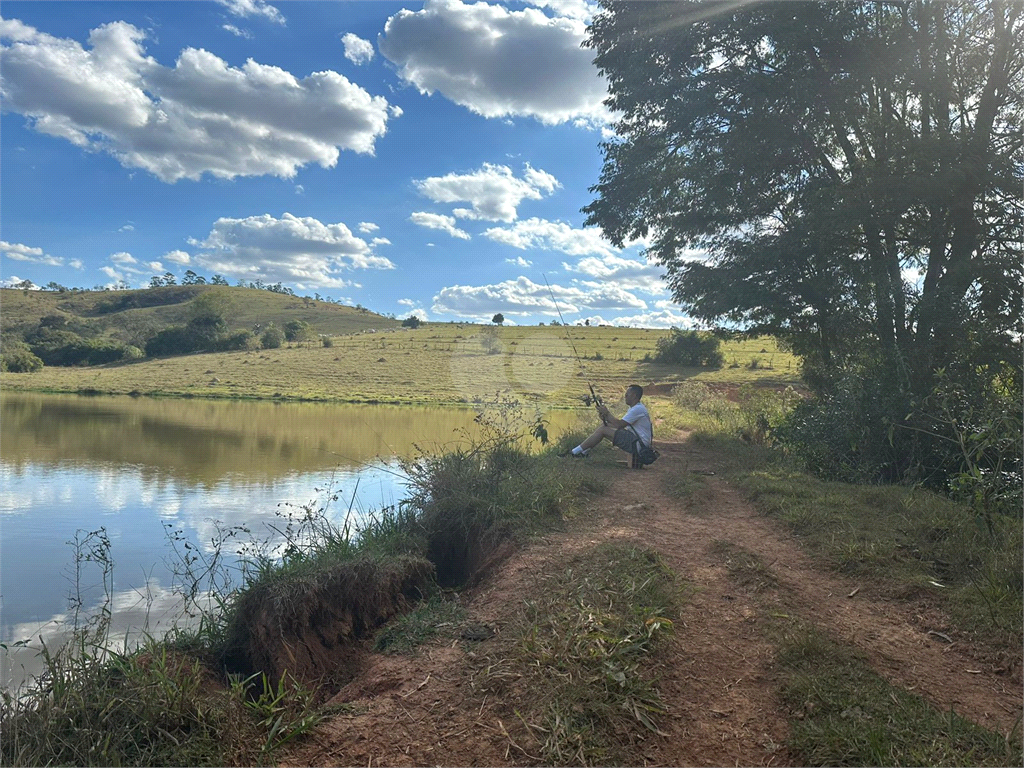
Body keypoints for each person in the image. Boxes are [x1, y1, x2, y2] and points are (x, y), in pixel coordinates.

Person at [562, 384, 652, 458]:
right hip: (636, 440)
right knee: (605, 426)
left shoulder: (637, 409)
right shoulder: (636, 408)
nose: (625, 396)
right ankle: (583, 452)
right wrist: (605, 417)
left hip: (639, 444)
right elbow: (617, 425)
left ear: (634, 396)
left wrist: (607, 413)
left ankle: (574, 453)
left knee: (603, 430)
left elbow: (619, 424)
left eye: (627, 394)